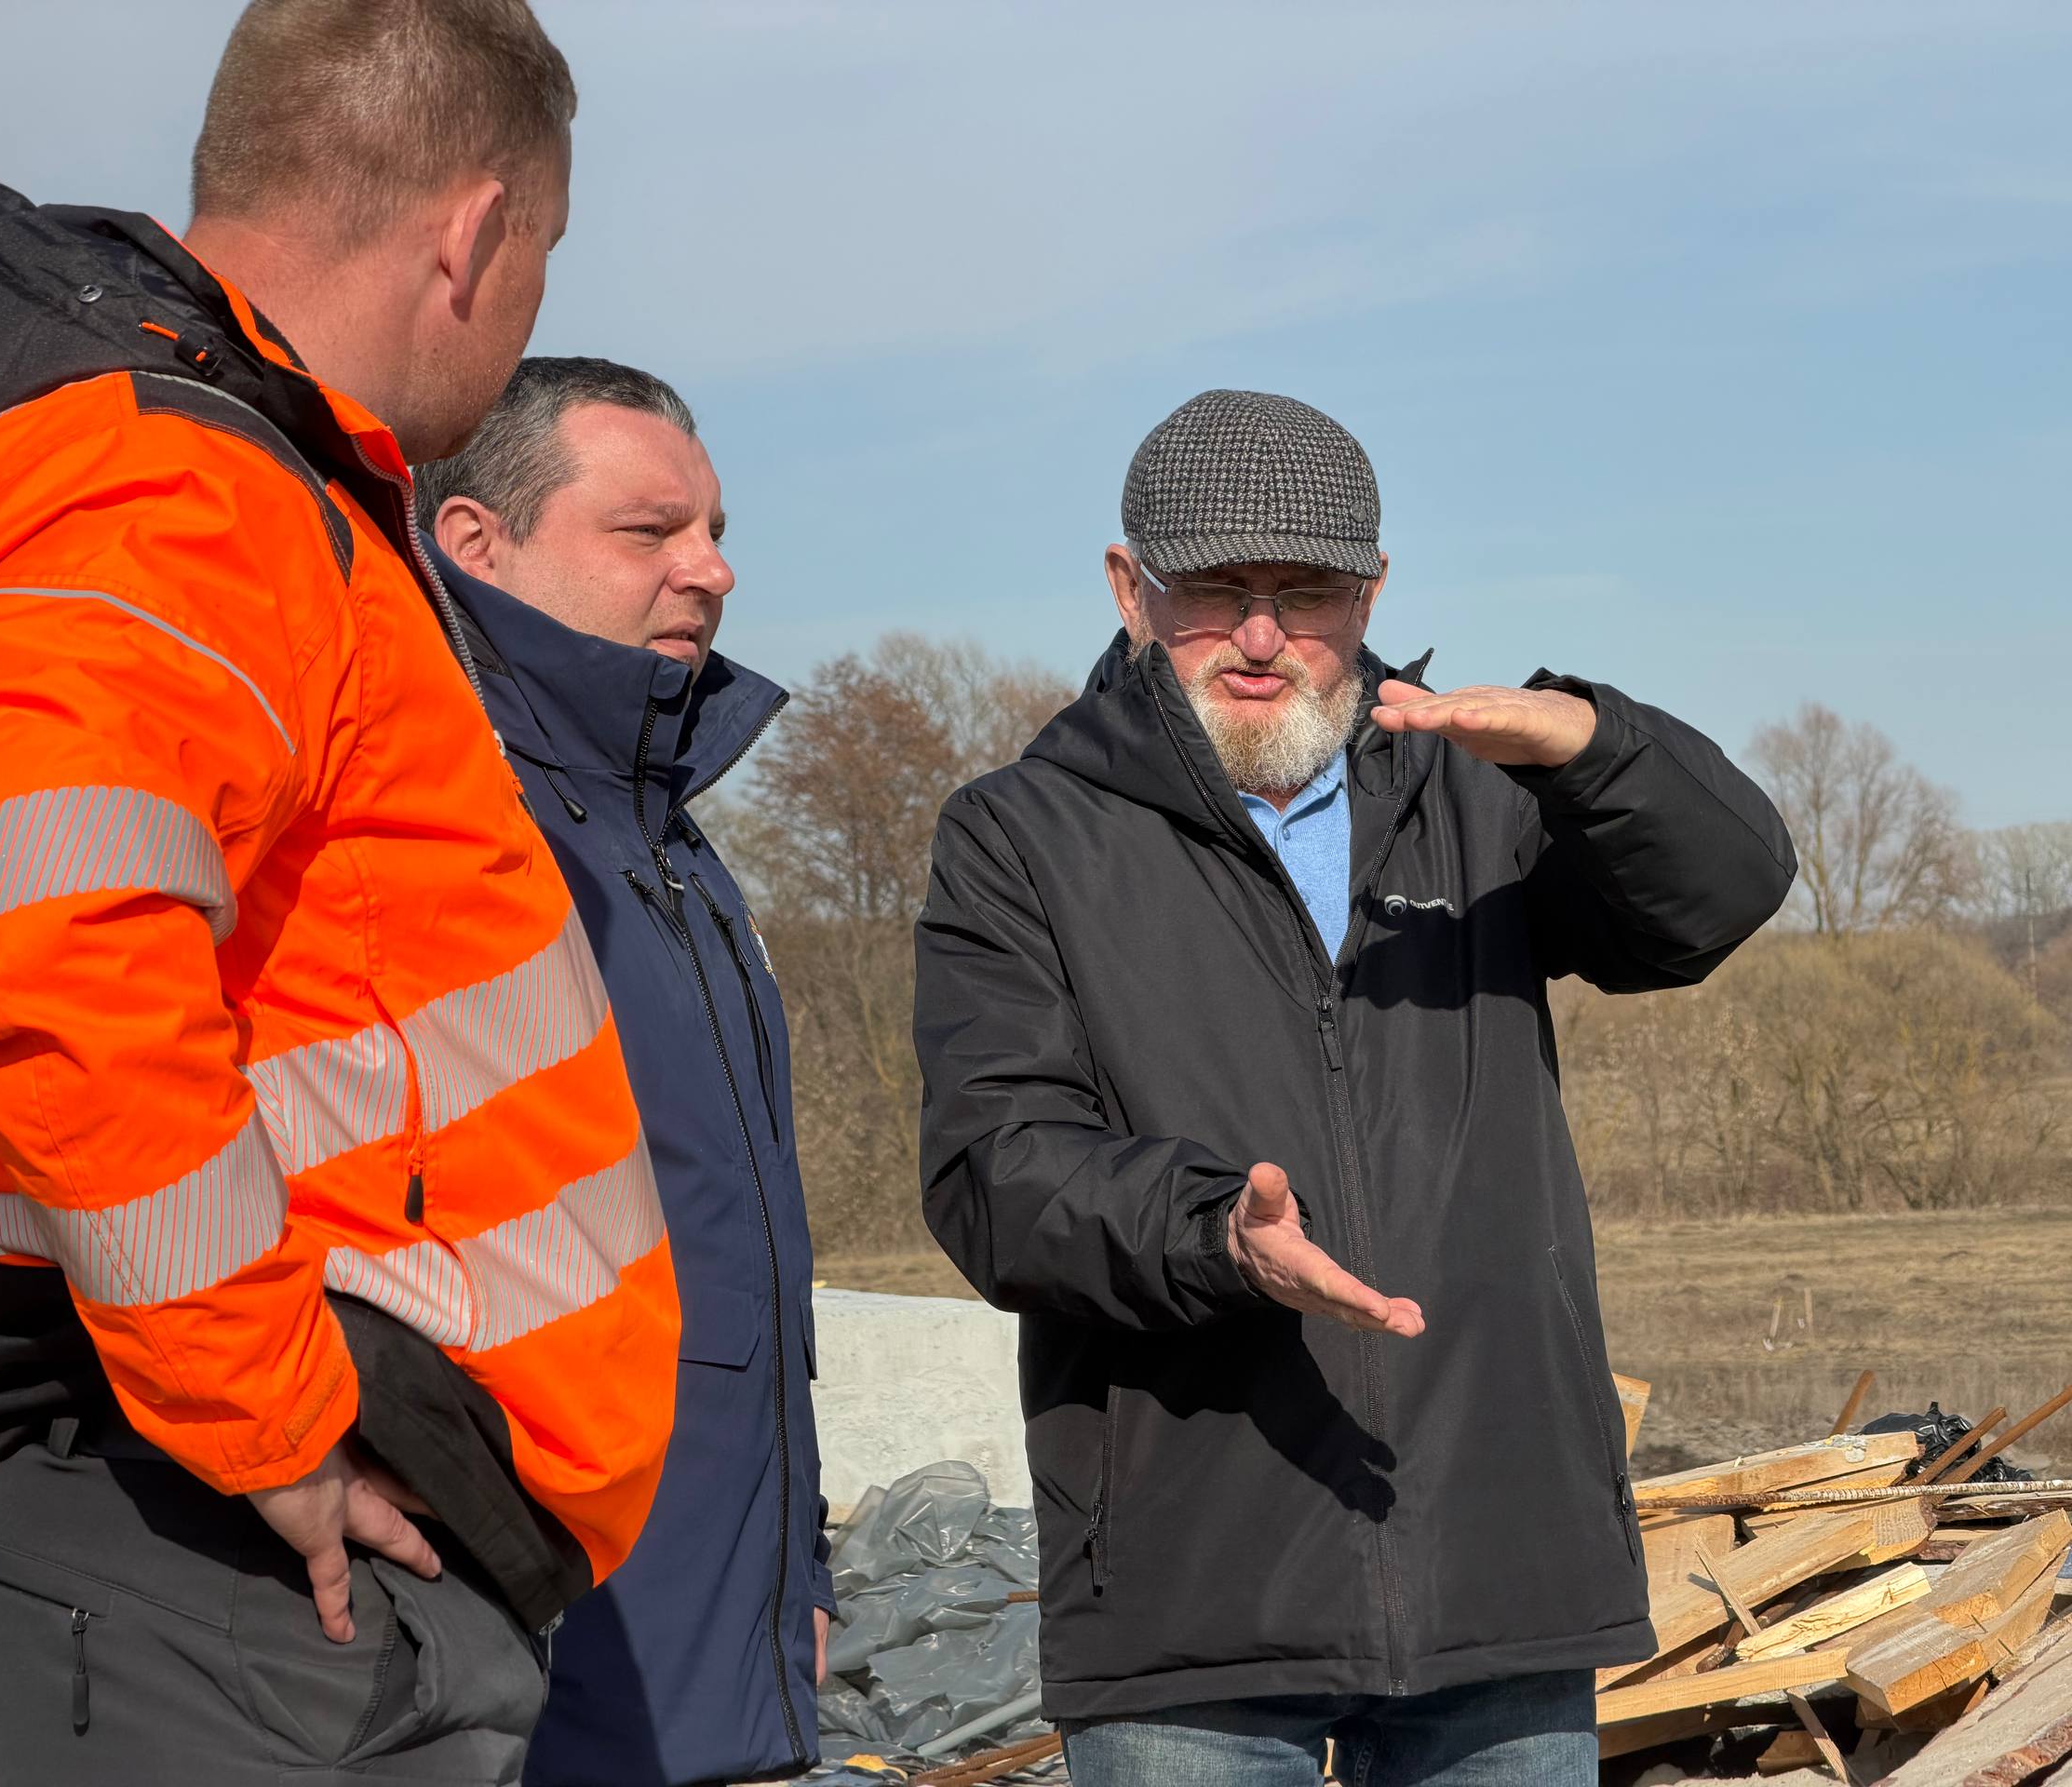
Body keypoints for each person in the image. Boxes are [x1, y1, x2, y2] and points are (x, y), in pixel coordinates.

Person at [0, 6, 681, 1783]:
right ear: (473, 233)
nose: (527, 319)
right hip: (235, 1543)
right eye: (542, 260)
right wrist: (261, 1420)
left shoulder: (216, 480)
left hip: (260, 1535)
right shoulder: (170, 484)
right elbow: (65, 955)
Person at [910, 388, 1796, 1786]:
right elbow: (993, 1172)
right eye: (1217, 591)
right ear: (1129, 586)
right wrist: (1212, 1231)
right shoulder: (1022, 835)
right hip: (1191, 1591)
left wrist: (1596, 746)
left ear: (1374, 589)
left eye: (1307, 592)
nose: (1263, 637)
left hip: (1496, 1571)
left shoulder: (1481, 798)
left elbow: (1718, 899)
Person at [415, 357, 829, 1787]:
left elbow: (741, 1256)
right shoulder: (439, 821)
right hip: (537, 1663)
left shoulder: (672, 846)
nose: (709, 573)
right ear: (478, 543)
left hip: (718, 1646)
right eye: (650, 534)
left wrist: (802, 1569)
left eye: (713, 532)